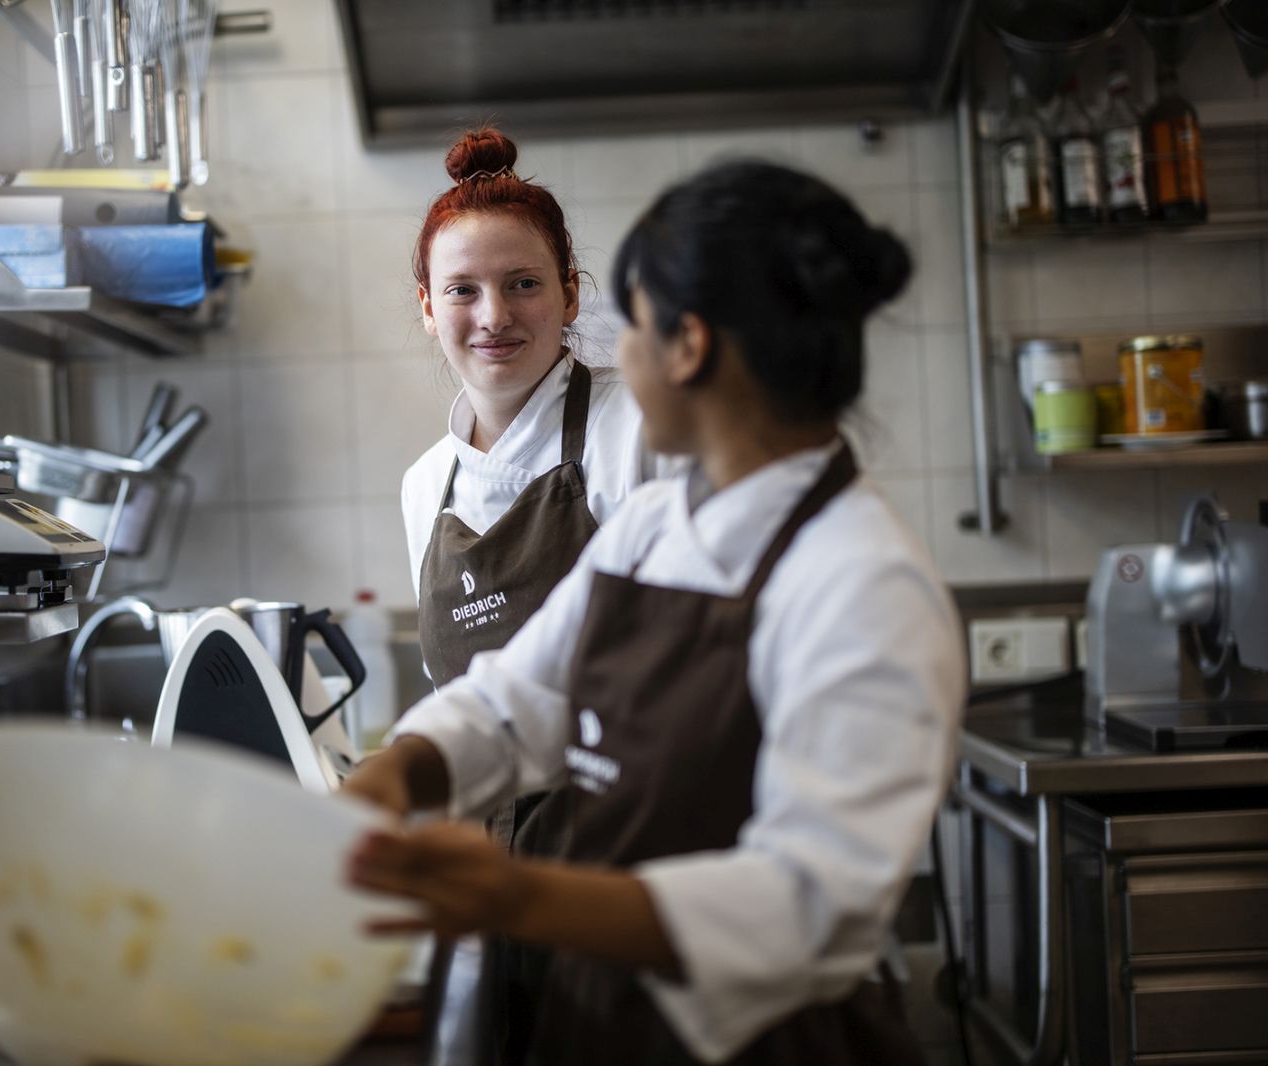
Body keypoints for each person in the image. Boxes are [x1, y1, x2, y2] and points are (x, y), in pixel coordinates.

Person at [345, 159, 965, 1065]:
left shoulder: (864, 582)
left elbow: (806, 904)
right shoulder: (655, 526)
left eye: (627, 326)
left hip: (767, 1042)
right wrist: (389, 783)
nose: (614, 355)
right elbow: (514, 701)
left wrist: (516, 899)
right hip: (607, 1014)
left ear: (689, 347)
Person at [399, 127, 677, 1061]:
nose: (494, 316)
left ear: (569, 293)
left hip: (627, 858)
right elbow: (462, 699)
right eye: (463, 290)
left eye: (523, 283)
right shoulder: (422, 486)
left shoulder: (631, 428)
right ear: (427, 310)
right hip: (489, 867)